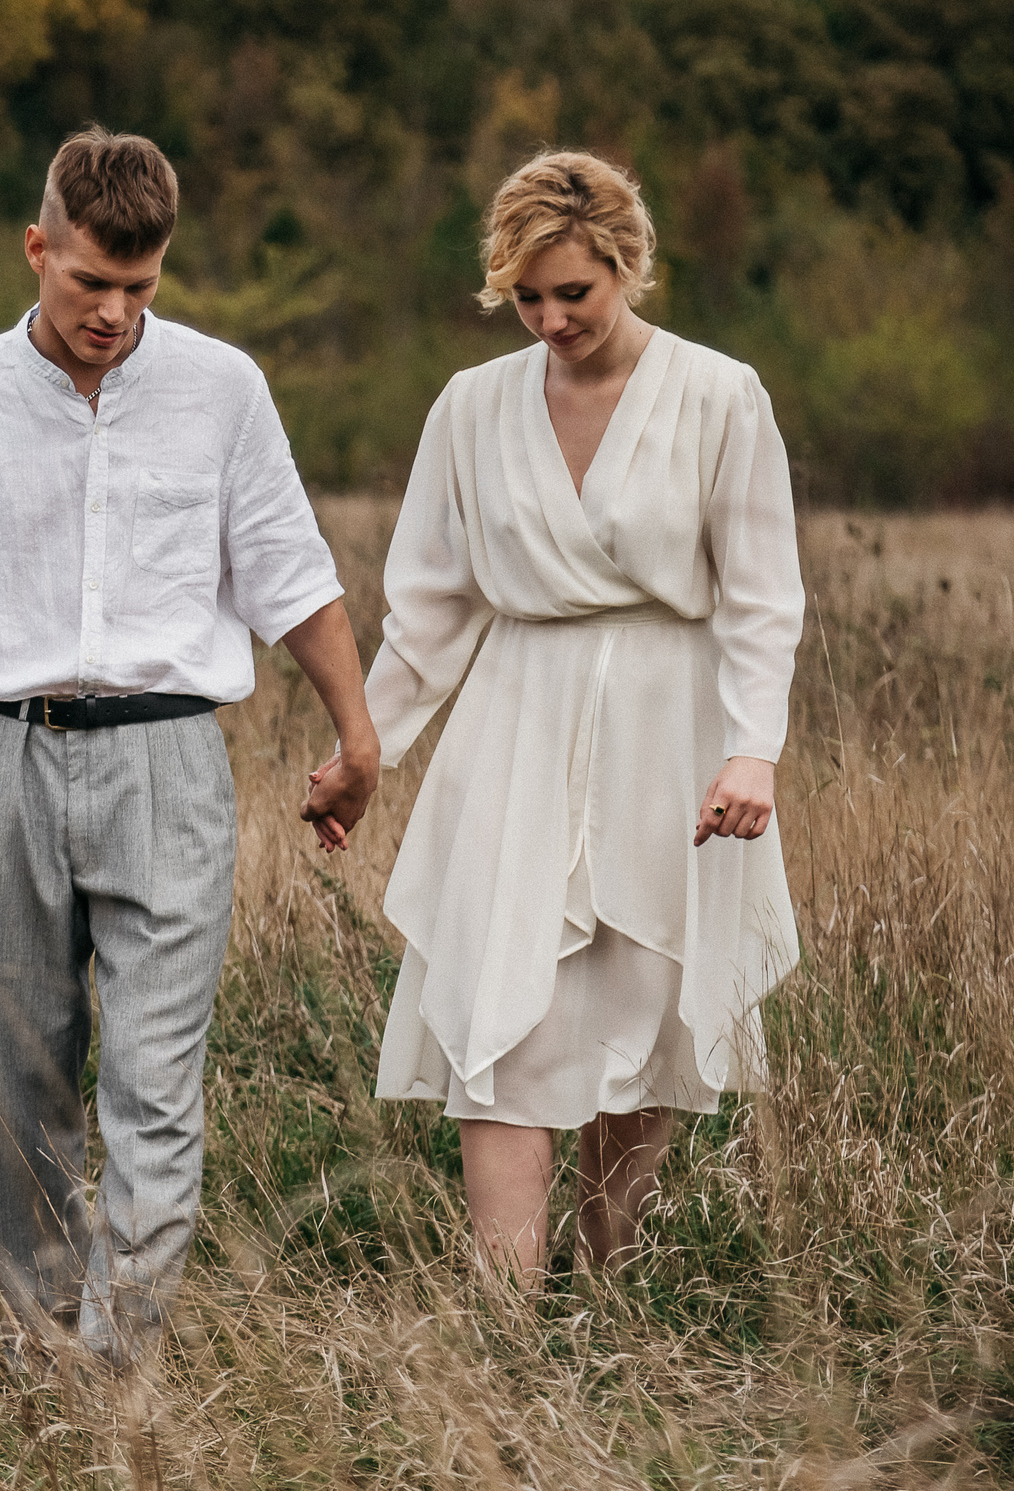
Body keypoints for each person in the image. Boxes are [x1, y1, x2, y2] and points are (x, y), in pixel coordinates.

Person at [0, 126, 381, 1365]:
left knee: (154, 1086)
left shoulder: (222, 388)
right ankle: (42, 1351)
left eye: (140, 287)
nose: (114, 312)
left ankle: (116, 1367)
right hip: (5, 764)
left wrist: (358, 739)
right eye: (89, 281)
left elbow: (291, 576)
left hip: (170, 763)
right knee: (21, 1082)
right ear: (38, 250)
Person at [350, 151, 803, 1285]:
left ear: (627, 266)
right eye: (527, 298)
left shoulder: (718, 394)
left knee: (644, 1008)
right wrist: (367, 745)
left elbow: (760, 597)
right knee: (506, 1002)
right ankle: (502, 1316)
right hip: (517, 720)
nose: (549, 319)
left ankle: (601, 1281)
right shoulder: (467, 406)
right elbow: (432, 604)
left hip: (673, 727)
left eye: (573, 295)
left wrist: (753, 749)